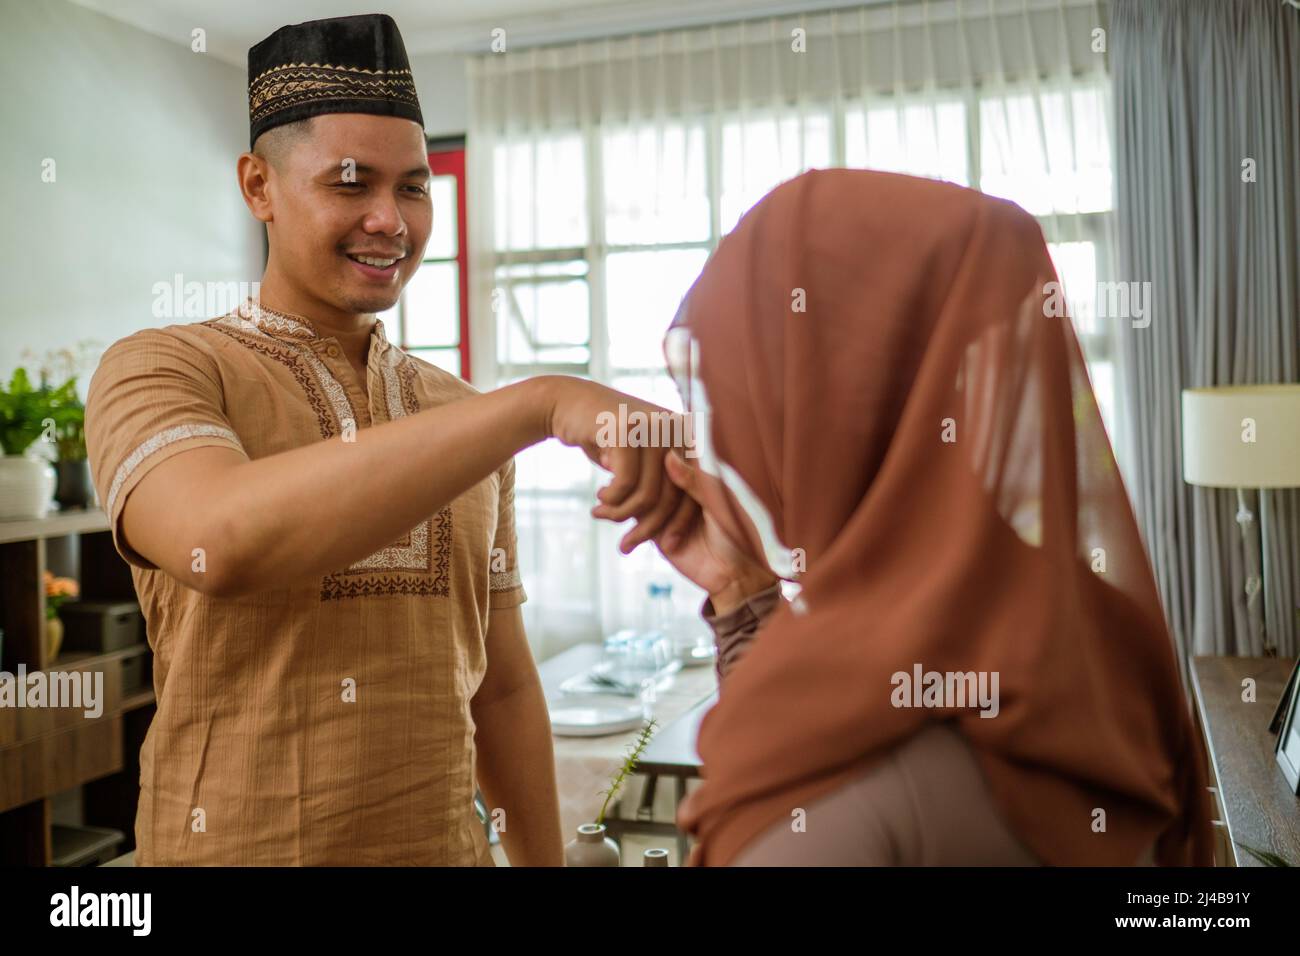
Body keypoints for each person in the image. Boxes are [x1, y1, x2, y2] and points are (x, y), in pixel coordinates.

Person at [84, 14, 684, 866]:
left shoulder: (456, 411)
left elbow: (504, 688)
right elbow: (220, 537)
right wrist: (537, 404)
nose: (390, 221)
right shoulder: (164, 368)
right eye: (350, 184)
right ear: (258, 186)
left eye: (413, 187)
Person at [618, 168, 1215, 866]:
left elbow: (815, 761)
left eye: (721, 405)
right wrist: (742, 595)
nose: (709, 445)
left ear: (820, 414)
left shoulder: (853, 786)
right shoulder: (1086, 629)